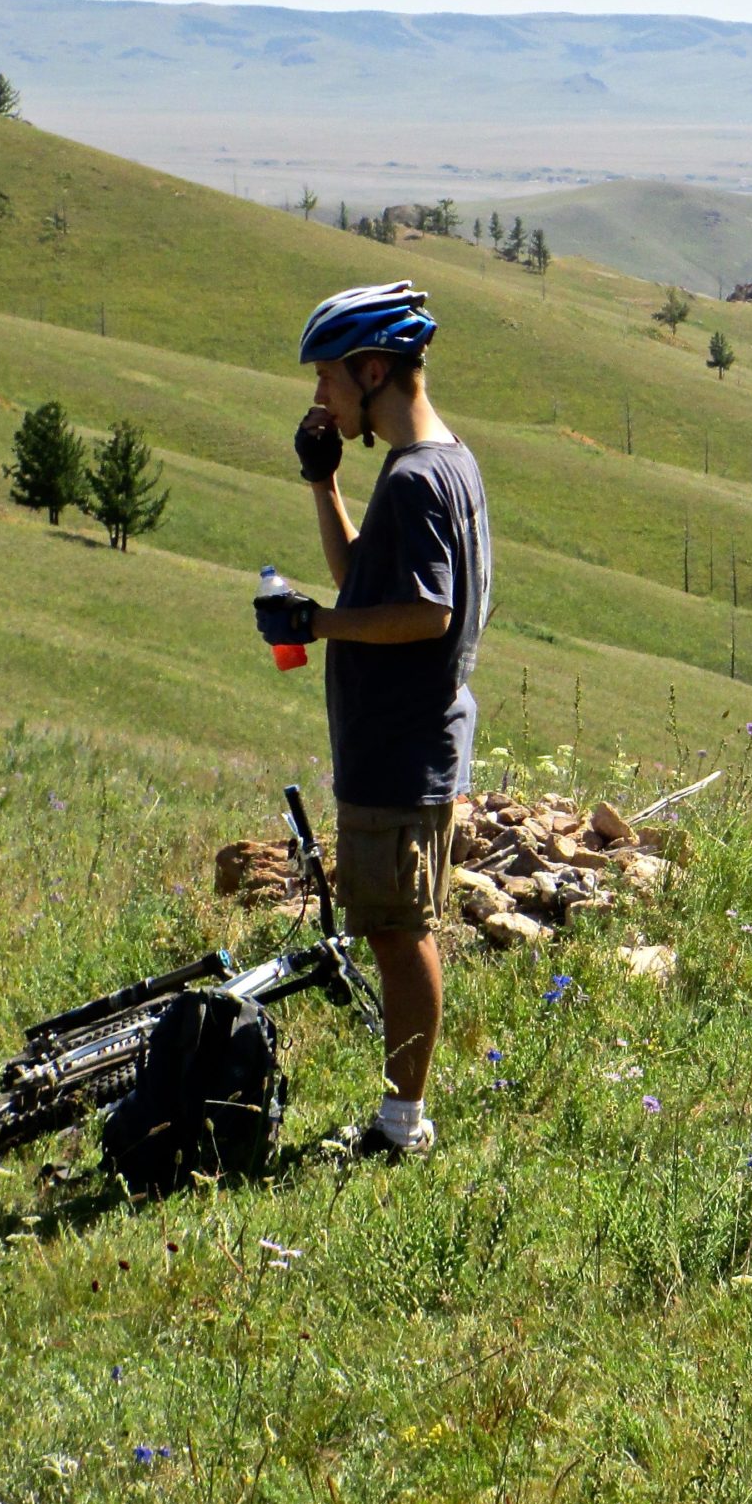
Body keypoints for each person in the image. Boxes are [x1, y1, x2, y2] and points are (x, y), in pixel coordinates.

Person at [254, 280, 492, 1157]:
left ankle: (402, 1126)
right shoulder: (434, 465)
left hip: (401, 748)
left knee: (399, 936)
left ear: (374, 368)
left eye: (328, 380)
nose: (321, 398)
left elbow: (425, 611)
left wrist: (316, 625)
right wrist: (325, 486)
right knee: (398, 930)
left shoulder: (421, 482)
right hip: (405, 743)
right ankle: (403, 1117)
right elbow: (369, 581)